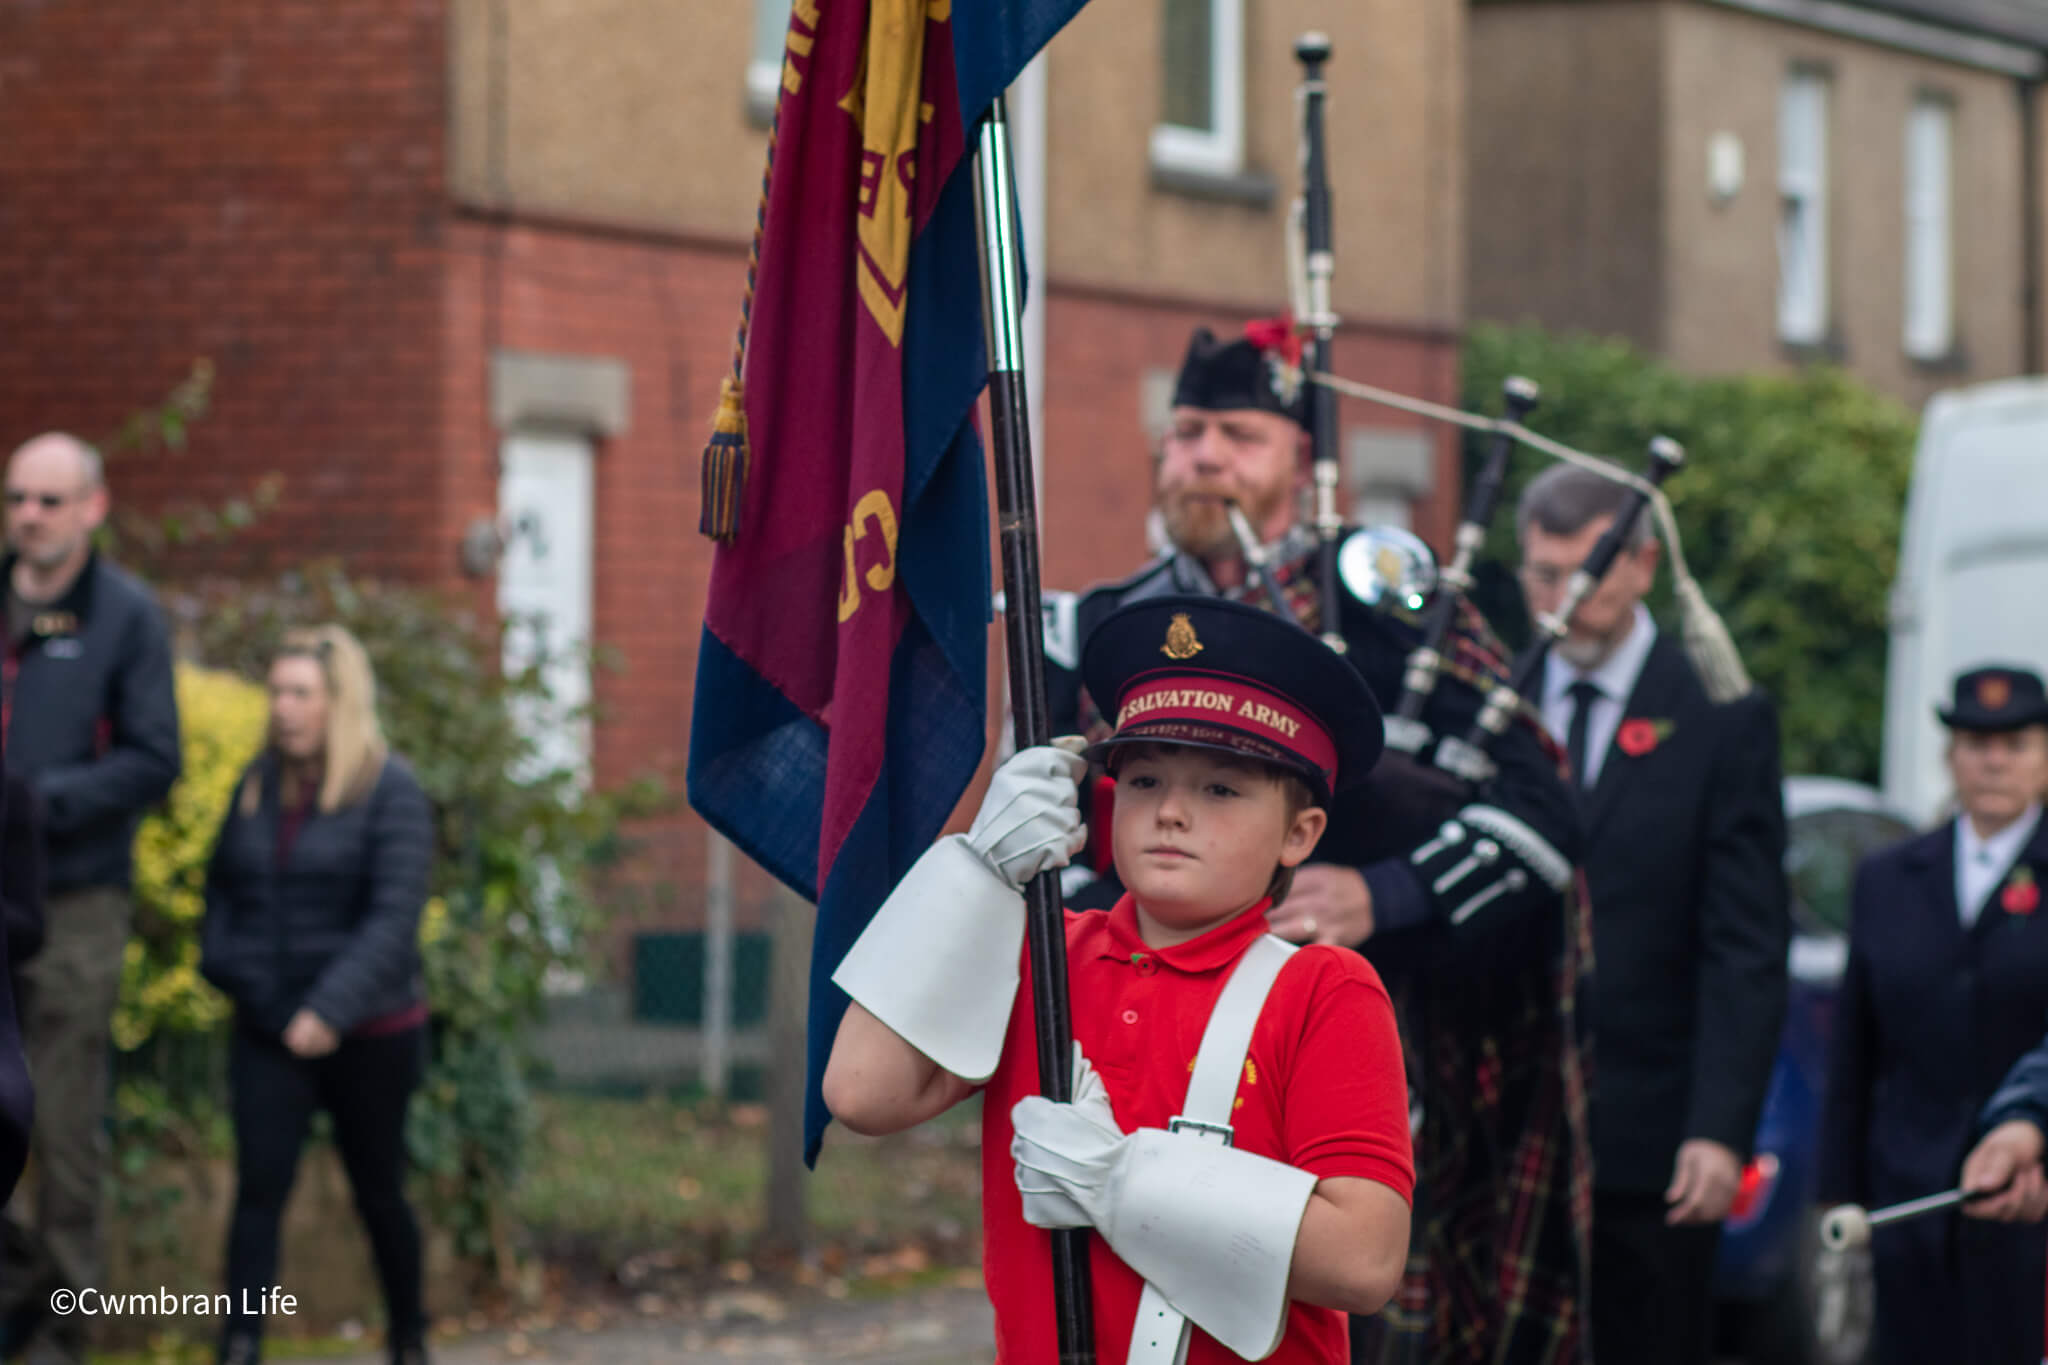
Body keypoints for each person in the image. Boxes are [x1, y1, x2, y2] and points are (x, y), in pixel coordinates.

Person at [1040, 324, 1591, 1363]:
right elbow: (1062, 845)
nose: (1203, 456)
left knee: (1361, 1314)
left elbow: (1540, 812)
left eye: (1238, 436)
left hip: (1378, 1040)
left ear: (1299, 457)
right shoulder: (1105, 627)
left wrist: (1380, 893)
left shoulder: (1378, 600)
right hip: (1138, 1044)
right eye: (1186, 432)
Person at [825, 594, 1414, 1363]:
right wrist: (978, 876)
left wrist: (1128, 1184)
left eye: (1221, 789)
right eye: (1143, 781)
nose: (1170, 811)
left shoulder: (1325, 988)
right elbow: (862, 1091)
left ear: (1299, 833)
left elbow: (1366, 1260)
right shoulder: (1036, 951)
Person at [1514, 461, 1790, 1365]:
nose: (1563, 599)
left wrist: (1719, 1129)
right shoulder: (1499, 702)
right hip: (1514, 1120)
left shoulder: (1719, 713)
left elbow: (1744, 943)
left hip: (1656, 1137)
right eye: (1543, 575)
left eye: (1584, 575)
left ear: (1638, 565)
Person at [197, 626, 435, 1365]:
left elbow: (394, 920)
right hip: (270, 1030)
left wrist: (328, 1011)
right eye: (276, 690)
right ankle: (240, 1343)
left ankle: (408, 1337)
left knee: (379, 1193)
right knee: (259, 1192)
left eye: (300, 692)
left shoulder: (388, 789)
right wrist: (270, 1003)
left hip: (371, 1034)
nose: (283, 707)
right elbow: (223, 904)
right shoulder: (255, 784)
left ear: (340, 702)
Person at [0, 432, 181, 1365]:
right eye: (18, 498)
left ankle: (62, 1331)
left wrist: (37, 803)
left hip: (72, 902)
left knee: (62, 1122)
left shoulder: (125, 617)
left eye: (50, 501)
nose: (30, 516)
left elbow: (158, 759)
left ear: (93, 508)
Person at [1818, 663, 2048, 1365]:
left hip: (2029, 1201)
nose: (1994, 759)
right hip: (1909, 1196)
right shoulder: (1890, 877)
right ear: (1951, 754)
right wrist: (1838, 1194)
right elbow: (1856, 1043)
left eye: (2015, 741)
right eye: (1976, 741)